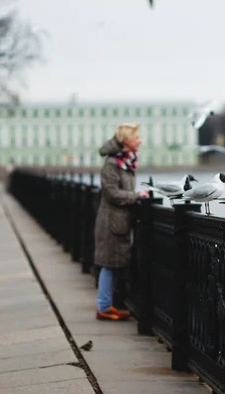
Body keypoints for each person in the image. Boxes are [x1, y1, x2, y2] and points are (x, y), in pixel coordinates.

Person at [94, 123, 149, 321]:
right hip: (111, 222)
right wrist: (136, 195)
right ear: (126, 141)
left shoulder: (125, 162)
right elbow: (111, 193)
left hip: (119, 221)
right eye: (136, 138)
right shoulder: (112, 163)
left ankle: (107, 305)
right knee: (108, 264)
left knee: (112, 264)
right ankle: (103, 307)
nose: (139, 141)